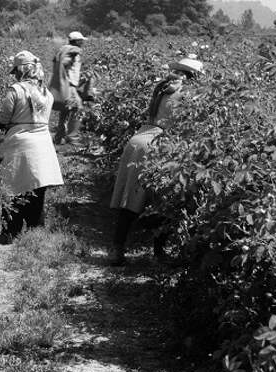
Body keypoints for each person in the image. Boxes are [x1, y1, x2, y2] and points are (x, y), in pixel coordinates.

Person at [108, 58, 204, 266]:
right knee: (164, 201)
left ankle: (117, 249)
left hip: (139, 140)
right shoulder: (188, 93)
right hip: (159, 143)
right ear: (194, 77)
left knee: (131, 198)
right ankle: (159, 253)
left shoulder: (162, 87)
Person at [0, 51, 64, 245]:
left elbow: (4, 117)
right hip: (42, 143)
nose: (14, 75)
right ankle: (34, 233)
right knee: (37, 188)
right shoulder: (46, 93)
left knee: (12, 187)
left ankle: (10, 232)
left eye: (16, 71)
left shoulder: (16, 90)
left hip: (20, 142)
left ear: (21, 70)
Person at [49, 31, 87, 145]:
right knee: (78, 108)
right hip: (69, 85)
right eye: (81, 41)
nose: (83, 43)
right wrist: (66, 77)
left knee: (65, 110)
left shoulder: (64, 49)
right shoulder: (73, 51)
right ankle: (72, 137)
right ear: (77, 41)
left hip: (66, 85)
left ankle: (59, 137)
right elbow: (64, 64)